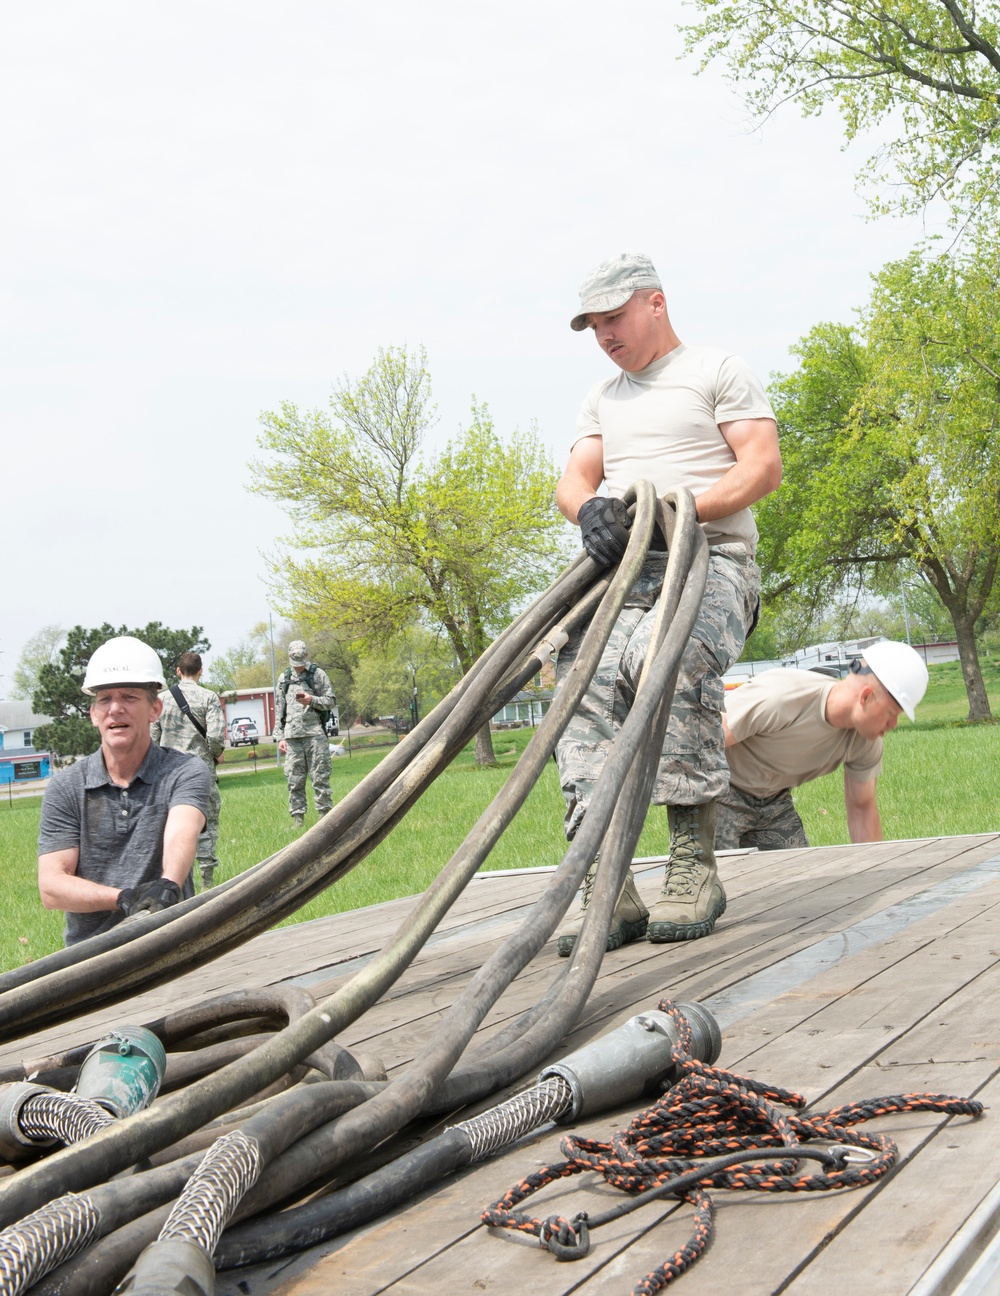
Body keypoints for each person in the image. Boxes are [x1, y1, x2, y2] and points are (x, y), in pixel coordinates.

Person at [555, 252, 782, 955]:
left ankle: (692, 865)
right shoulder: (603, 397)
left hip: (710, 561)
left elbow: (761, 466)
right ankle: (605, 877)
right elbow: (576, 477)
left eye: (614, 318)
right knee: (580, 674)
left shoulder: (717, 372)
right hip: (626, 571)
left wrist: (675, 514)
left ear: (655, 303)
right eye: (594, 325)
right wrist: (590, 509)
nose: (605, 335)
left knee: (669, 656)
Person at [37, 636, 211, 946]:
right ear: (93, 714)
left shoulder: (184, 771)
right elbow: (51, 886)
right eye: (105, 699)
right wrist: (125, 898)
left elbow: (182, 832)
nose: (115, 709)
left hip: (173, 945)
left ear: (154, 709)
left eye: (129, 697)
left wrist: (168, 885)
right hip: (90, 961)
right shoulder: (66, 788)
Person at [717, 641, 929, 849]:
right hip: (720, 792)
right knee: (709, 877)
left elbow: (862, 808)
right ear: (866, 697)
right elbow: (700, 743)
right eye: (891, 714)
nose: (893, 724)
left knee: (798, 876)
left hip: (773, 801)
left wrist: (874, 872)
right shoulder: (782, 695)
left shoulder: (867, 741)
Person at [150, 650, 226, 889]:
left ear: (178, 671)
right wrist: (216, 752)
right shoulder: (209, 697)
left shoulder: (162, 700)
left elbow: (152, 738)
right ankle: (206, 881)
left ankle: (174, 879)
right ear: (200, 671)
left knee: (170, 827)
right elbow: (215, 736)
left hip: (168, 773)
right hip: (200, 772)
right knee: (206, 824)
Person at [274, 639, 335, 828]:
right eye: (295, 664)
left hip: (315, 734)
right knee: (294, 779)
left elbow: (331, 701)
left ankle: (324, 817)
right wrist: (280, 736)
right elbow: (279, 709)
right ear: (289, 658)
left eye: (301, 663)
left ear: (307, 656)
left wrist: (312, 700)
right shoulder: (283, 678)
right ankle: (298, 819)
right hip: (292, 736)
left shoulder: (318, 675)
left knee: (320, 777)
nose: (298, 668)